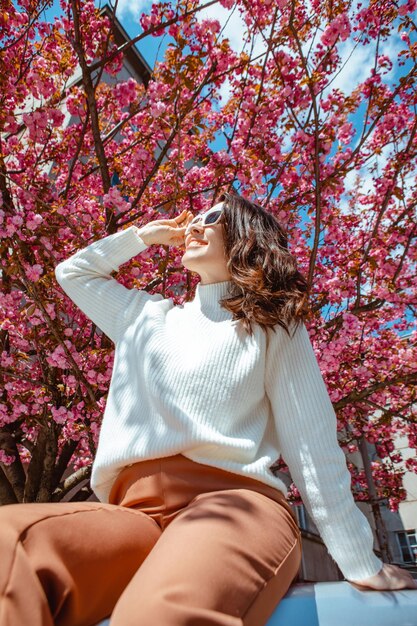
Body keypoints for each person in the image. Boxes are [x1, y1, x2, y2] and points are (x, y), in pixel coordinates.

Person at [0, 192, 415, 626]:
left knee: (161, 614)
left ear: (244, 238)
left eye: (211, 218)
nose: (194, 226)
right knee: (12, 549)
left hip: (237, 505)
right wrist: (143, 236)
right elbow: (74, 272)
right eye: (193, 219)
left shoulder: (271, 327)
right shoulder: (143, 316)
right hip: (134, 515)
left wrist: (358, 560)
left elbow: (311, 446)